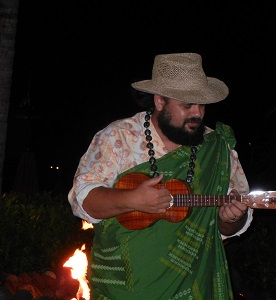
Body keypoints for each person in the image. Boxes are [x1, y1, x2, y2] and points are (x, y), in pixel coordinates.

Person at [68, 52, 253, 299]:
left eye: (202, 105)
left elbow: (228, 226)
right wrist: (131, 200)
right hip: (123, 288)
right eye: (187, 105)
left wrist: (232, 219)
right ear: (159, 101)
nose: (197, 114)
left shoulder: (217, 149)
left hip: (192, 288)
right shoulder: (119, 138)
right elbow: (82, 201)